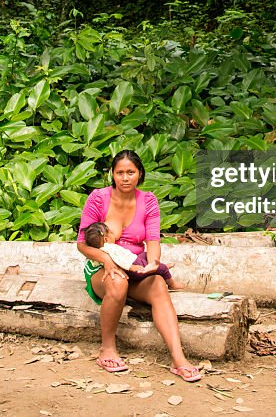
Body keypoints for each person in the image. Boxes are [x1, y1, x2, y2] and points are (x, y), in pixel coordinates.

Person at [76, 150, 203, 382]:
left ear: (140, 174)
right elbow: (83, 245)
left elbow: (153, 240)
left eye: (130, 172)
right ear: (112, 175)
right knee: (117, 281)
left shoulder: (148, 200)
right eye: (120, 173)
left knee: (157, 285)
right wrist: (107, 260)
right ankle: (107, 349)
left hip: (136, 265)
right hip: (103, 268)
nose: (125, 178)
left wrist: (153, 264)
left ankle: (179, 359)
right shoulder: (98, 198)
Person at [83, 222, 180, 288]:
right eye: (111, 233)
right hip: (132, 265)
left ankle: (159, 267)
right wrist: (132, 267)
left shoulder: (100, 250)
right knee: (159, 268)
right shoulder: (110, 248)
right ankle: (172, 284)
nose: (114, 235)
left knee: (145, 255)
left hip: (133, 259)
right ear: (106, 239)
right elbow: (118, 260)